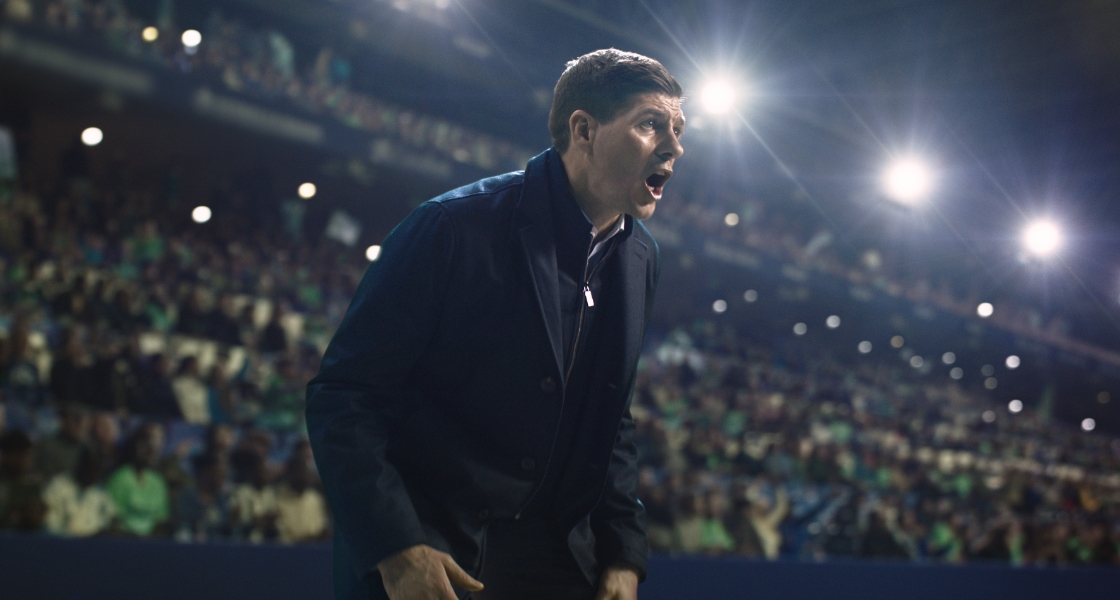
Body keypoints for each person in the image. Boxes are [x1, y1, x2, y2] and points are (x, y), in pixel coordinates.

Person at [307, 48, 684, 600]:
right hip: (439, 553)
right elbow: (344, 397)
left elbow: (611, 421)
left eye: (678, 129)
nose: (674, 147)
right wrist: (395, 545)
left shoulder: (640, 258)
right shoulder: (451, 226)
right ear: (584, 130)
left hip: (561, 561)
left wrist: (624, 554)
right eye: (652, 125)